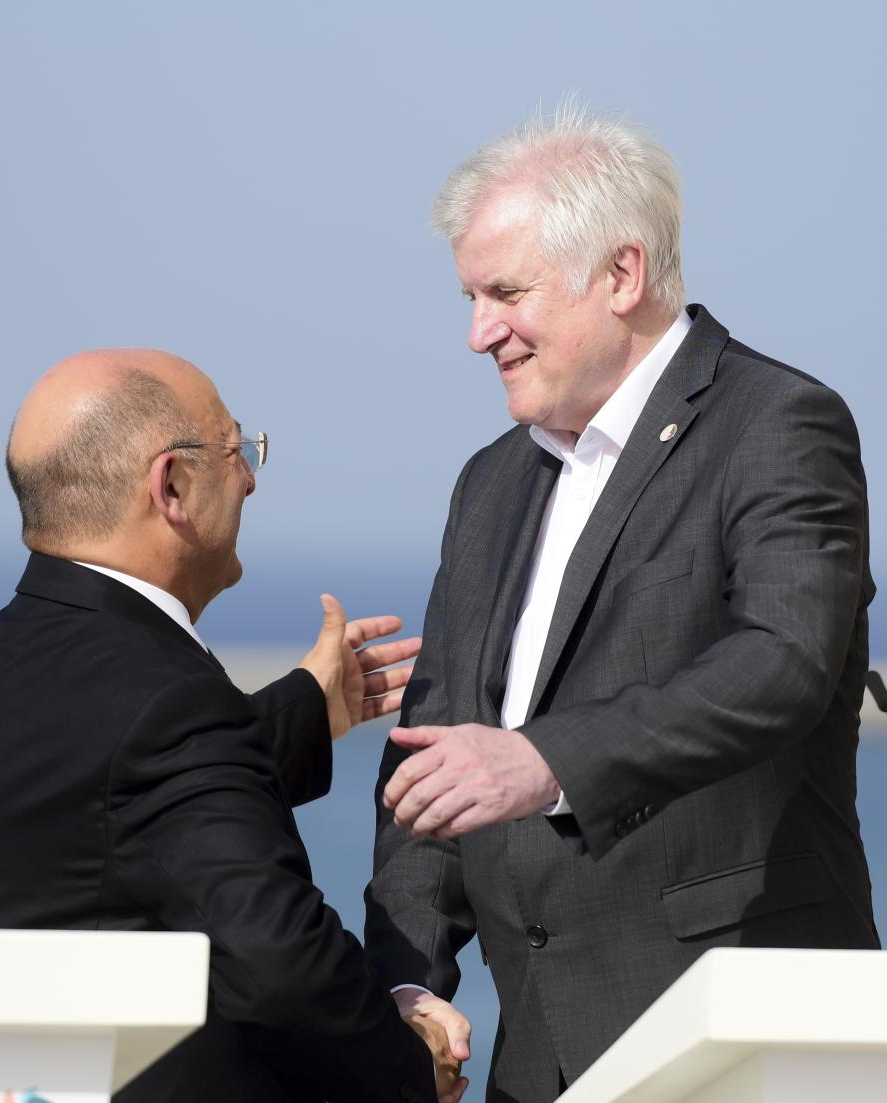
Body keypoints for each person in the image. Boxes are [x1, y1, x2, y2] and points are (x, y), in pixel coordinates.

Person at [366, 103, 879, 1102]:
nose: (478, 333)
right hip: (534, 1059)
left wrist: (547, 757)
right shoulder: (489, 484)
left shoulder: (779, 422)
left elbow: (785, 660)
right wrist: (410, 980)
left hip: (742, 1039)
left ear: (623, 275)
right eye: (471, 297)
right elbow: (437, 756)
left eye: (505, 292)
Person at [0, 349, 470, 1103]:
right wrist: (408, 1064)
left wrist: (309, 706)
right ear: (172, 487)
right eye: (236, 450)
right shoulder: (168, 699)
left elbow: (112, 803)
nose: (249, 477)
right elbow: (281, 961)